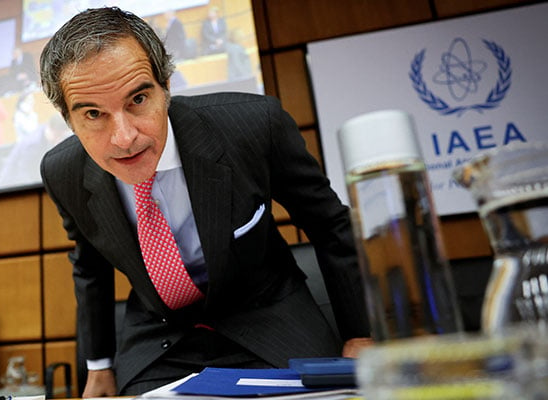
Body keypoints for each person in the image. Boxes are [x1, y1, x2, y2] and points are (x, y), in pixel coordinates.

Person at [39, 7, 371, 397]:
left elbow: (330, 226)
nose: (124, 138)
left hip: (267, 314)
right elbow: (90, 267)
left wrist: (361, 335)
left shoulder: (253, 127)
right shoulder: (63, 172)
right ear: (68, 119)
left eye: (139, 99)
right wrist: (99, 366)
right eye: (94, 114)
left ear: (166, 87)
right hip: (160, 335)